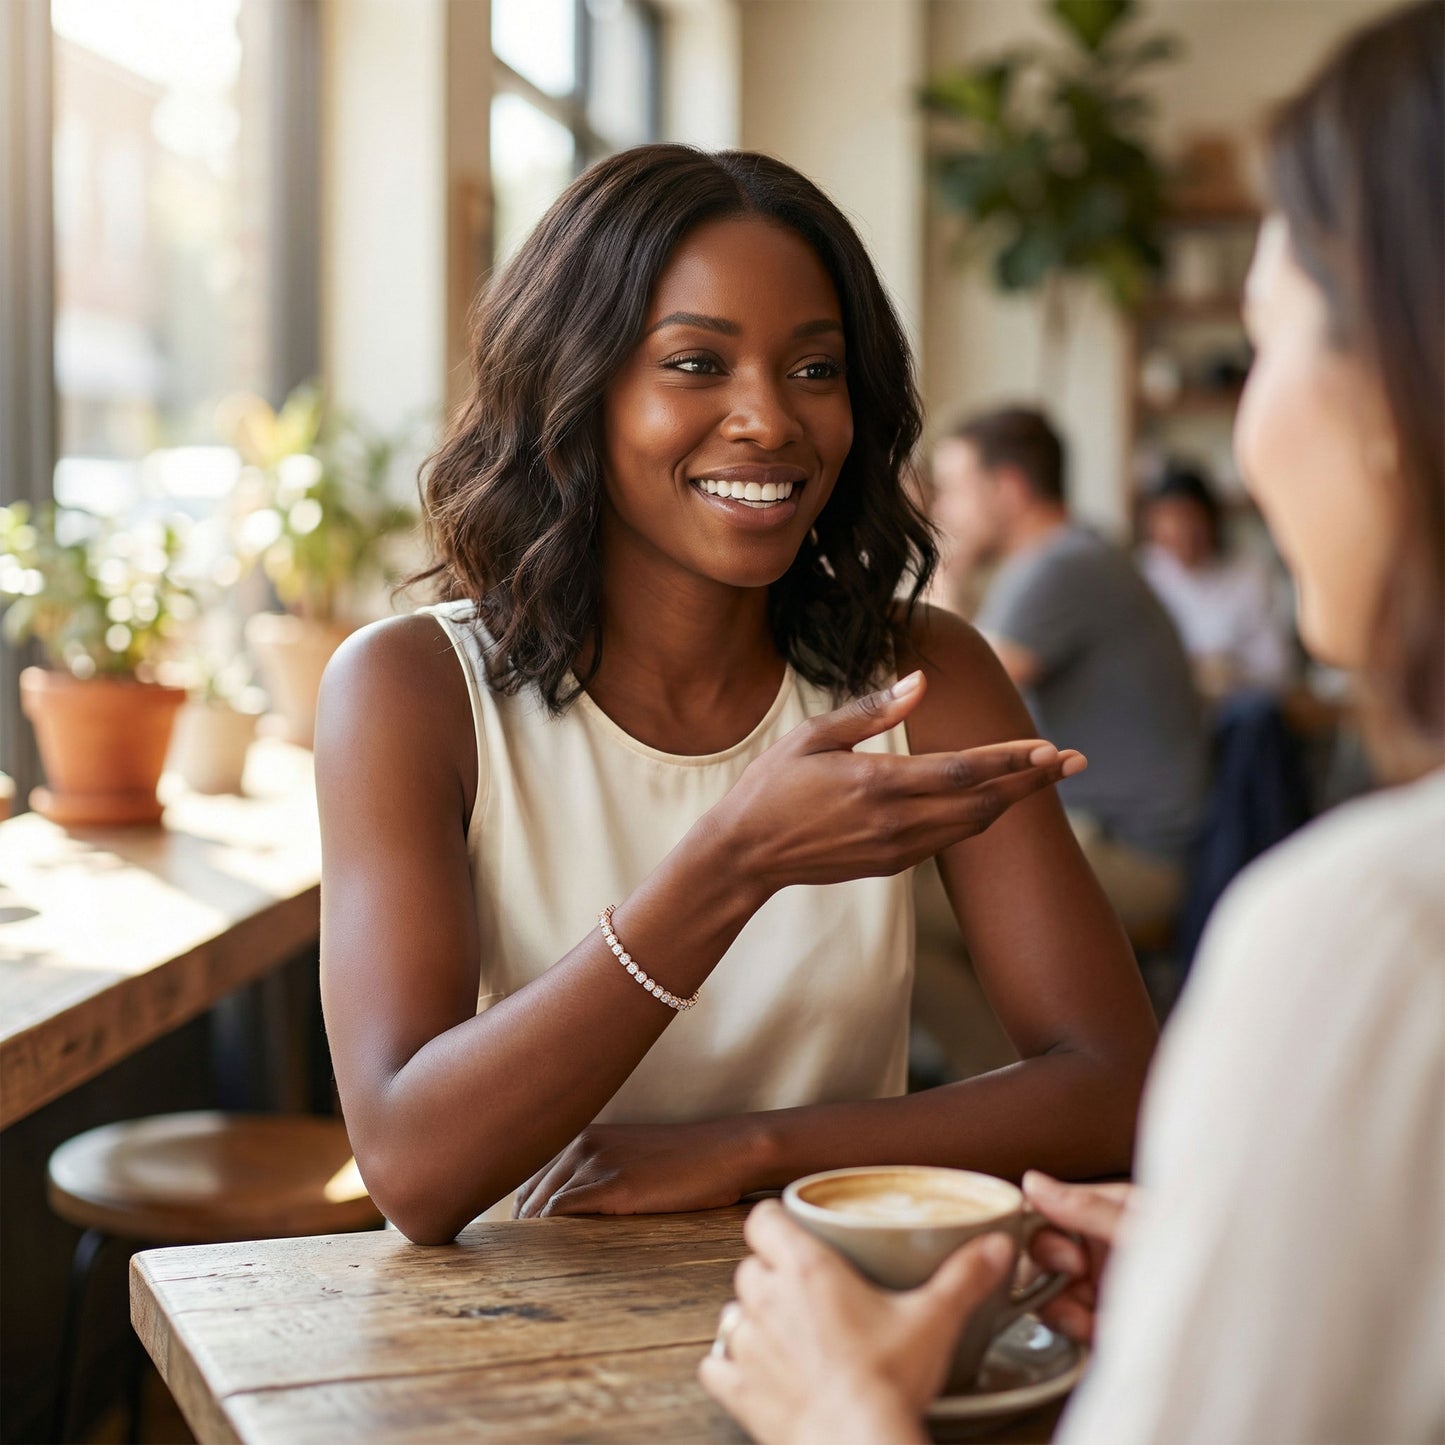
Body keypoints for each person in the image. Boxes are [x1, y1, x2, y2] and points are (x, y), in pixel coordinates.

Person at [699, 5, 1444, 1443]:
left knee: (904, 882)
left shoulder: (1371, 939)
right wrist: (1244, 1268)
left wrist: (840, 1411)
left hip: (1144, 854)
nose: (1238, 436)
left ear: (1397, 396)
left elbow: (957, 696)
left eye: (1265, 340)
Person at [315, 146, 1158, 1245]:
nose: (769, 418)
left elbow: (1115, 1085)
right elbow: (411, 1168)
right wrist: (732, 858)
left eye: (814, 370)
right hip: (512, 1331)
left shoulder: (923, 676)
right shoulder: (410, 690)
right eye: (697, 363)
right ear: (576, 384)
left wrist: (746, 1152)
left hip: (839, 1311)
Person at [931, 408, 1208, 941]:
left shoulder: (1058, 569)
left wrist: (941, 571)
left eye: (953, 490)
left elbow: (956, 697)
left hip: (1135, 858)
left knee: (906, 910)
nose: (943, 510)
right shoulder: (1074, 554)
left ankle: (1045, 1030)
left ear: (1008, 490)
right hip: (1115, 834)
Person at [1138, 462, 1297, 697]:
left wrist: (1227, 671)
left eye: (1190, 519)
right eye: (1170, 521)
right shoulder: (1144, 575)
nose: (1181, 532)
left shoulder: (1251, 573)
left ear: (1212, 520)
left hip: (1238, 701)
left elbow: (1277, 667)